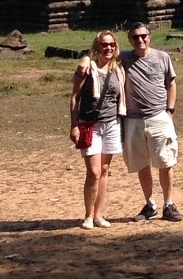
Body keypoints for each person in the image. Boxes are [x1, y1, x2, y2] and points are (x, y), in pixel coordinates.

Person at [121, 22, 182, 222]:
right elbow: (99, 57)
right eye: (135, 37)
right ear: (130, 40)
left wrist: (169, 111)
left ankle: (169, 204)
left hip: (159, 117)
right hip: (133, 119)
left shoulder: (163, 57)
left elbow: (171, 84)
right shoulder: (124, 59)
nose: (140, 40)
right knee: (142, 164)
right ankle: (150, 204)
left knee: (165, 161)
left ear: (150, 37)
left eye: (143, 36)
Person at [70, 30, 126, 230]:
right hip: (90, 124)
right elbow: (75, 97)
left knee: (104, 170)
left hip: (112, 124)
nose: (108, 48)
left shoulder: (119, 69)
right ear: (97, 46)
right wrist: (74, 124)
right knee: (93, 171)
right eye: (104, 44)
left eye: (111, 44)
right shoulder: (87, 68)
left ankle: (99, 215)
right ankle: (87, 215)